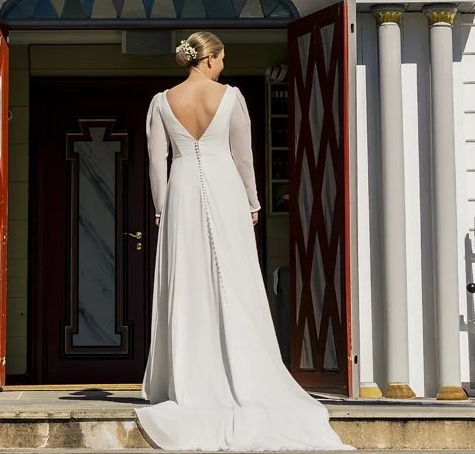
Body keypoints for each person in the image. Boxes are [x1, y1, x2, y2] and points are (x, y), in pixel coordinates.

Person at [135, 30, 348, 453]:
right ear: (210, 58)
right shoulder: (231, 97)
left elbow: (156, 163)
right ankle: (243, 371)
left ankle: (190, 377)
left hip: (181, 192)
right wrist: (253, 200)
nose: (224, 65)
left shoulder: (161, 102)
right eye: (222, 58)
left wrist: (162, 208)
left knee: (189, 282)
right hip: (224, 187)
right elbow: (243, 155)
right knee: (234, 278)